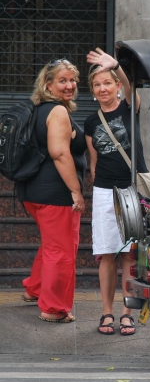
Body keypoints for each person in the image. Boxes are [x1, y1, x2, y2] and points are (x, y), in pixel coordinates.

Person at [18, 59, 87, 323]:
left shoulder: (36, 109)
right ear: (48, 85)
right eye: (63, 81)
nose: (69, 86)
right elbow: (59, 154)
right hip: (55, 195)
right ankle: (54, 308)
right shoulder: (57, 112)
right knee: (61, 250)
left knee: (52, 245)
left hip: (32, 192)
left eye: (73, 81)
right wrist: (76, 191)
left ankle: (34, 289)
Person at [84, 48, 146, 336]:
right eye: (97, 85)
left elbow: (133, 90)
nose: (103, 88)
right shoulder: (91, 121)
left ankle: (127, 312)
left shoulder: (128, 107)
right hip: (104, 191)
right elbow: (93, 161)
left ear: (117, 86)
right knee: (107, 253)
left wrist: (115, 65)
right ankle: (107, 312)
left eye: (107, 82)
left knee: (129, 255)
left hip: (131, 188)